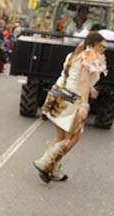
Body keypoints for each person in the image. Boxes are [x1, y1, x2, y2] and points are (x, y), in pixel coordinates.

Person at [32, 31, 107, 183]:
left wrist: (91, 89)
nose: (103, 49)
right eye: (101, 46)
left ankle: (54, 169)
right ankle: (46, 162)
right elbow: (84, 81)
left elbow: (75, 76)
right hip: (71, 100)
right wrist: (85, 105)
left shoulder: (75, 54)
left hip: (57, 95)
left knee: (61, 137)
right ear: (92, 45)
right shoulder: (90, 57)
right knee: (73, 137)